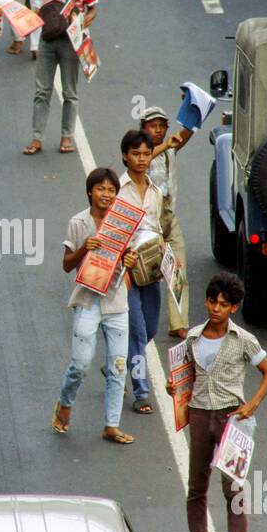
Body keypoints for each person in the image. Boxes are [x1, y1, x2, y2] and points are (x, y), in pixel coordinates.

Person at [165, 274, 267, 532]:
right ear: (206, 301)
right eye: (213, 302)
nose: (216, 308)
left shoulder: (244, 340)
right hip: (200, 415)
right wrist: (172, 386)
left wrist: (251, 405)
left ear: (234, 308)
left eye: (223, 304)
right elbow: (185, 375)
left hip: (231, 417)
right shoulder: (192, 338)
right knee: (197, 484)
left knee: (233, 486)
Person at [56, 167, 140, 444]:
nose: (106, 194)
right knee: (80, 363)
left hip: (116, 303)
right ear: (90, 191)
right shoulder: (78, 223)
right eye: (101, 189)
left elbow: (131, 257)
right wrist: (85, 249)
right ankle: (65, 402)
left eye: (111, 190)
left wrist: (130, 261)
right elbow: (67, 265)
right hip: (88, 301)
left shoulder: (124, 225)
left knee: (117, 367)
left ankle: (111, 425)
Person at [22, 0, 97, 156]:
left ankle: (67, 136)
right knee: (41, 91)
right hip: (47, 39)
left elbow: (93, 7)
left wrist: (85, 21)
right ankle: (37, 138)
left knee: (69, 92)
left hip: (70, 42)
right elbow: (37, 7)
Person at [118, 129, 164, 415]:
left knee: (150, 328)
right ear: (126, 156)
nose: (142, 159)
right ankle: (141, 392)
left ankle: (118, 359)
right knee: (136, 332)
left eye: (146, 153)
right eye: (136, 154)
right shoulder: (118, 189)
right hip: (128, 270)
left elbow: (158, 226)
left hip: (153, 269)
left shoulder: (156, 190)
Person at [143, 107, 190, 339]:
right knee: (146, 274)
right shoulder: (141, 151)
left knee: (178, 271)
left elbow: (185, 135)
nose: (159, 130)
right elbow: (144, 161)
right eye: (153, 125)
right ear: (143, 129)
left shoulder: (170, 150)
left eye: (162, 125)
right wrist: (167, 145)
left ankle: (178, 324)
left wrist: (195, 115)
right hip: (150, 222)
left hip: (170, 217)